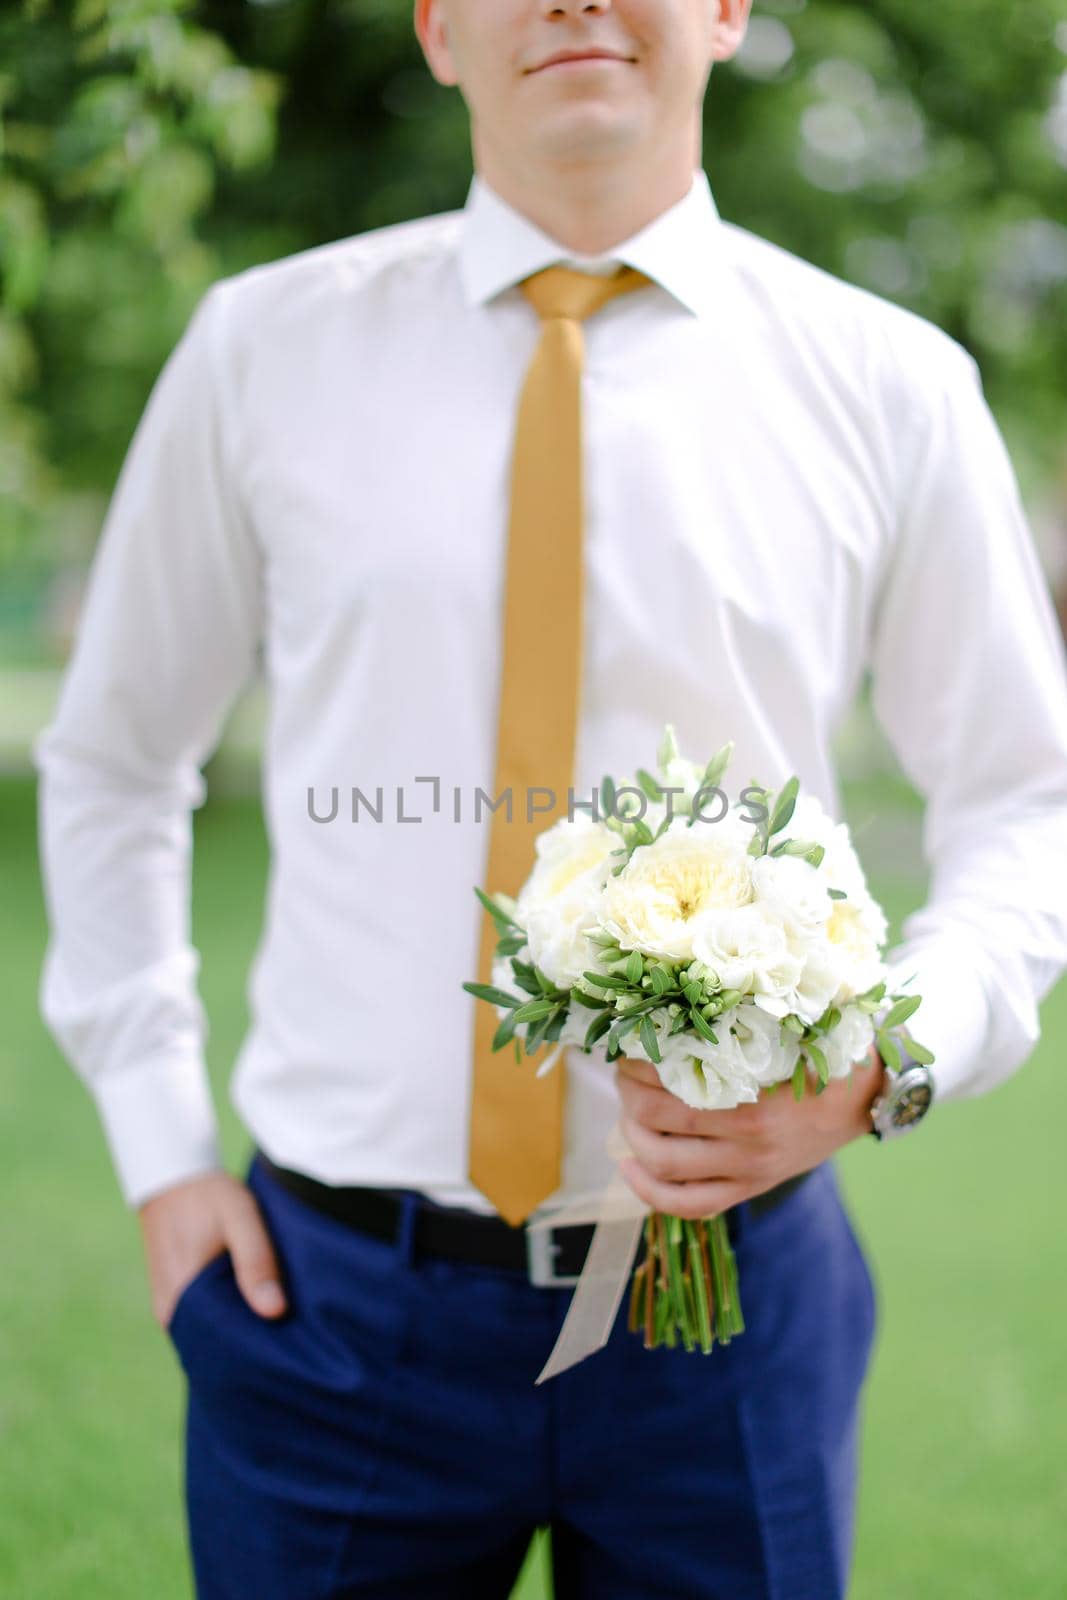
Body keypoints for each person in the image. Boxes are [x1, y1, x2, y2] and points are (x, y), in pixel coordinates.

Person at [33, 1, 1067, 1596]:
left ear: (726, 10)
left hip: (726, 1313)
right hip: (328, 1317)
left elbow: (1026, 803)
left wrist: (881, 1064)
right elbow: (110, 761)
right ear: (440, 28)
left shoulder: (891, 387)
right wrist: (164, 1150)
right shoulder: (263, 350)